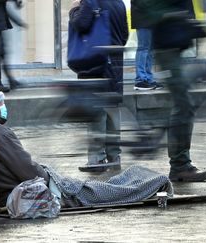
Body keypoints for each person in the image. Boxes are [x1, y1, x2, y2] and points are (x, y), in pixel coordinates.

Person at [0, 81, 173, 211]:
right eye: (1, 104)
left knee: (100, 185)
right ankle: (152, 182)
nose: (4, 107)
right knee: (96, 191)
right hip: (35, 187)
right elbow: (27, 169)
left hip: (16, 188)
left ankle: (137, 178)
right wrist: (53, 179)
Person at [133, 0, 206, 182]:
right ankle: (180, 165)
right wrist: (173, 14)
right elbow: (149, 7)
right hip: (166, 45)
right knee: (183, 104)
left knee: (181, 103)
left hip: (176, 42)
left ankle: (181, 162)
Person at [69, 0, 128, 172]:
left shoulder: (90, 1)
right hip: (114, 63)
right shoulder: (119, 3)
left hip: (95, 63)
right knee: (112, 109)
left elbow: (81, 24)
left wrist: (74, 10)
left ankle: (97, 159)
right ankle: (114, 156)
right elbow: (124, 36)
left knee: (96, 112)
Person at [131, 0, 158, 90]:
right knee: (143, 48)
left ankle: (148, 79)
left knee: (149, 50)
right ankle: (140, 80)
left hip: (150, 20)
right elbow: (143, 3)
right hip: (143, 20)